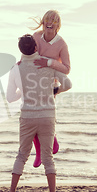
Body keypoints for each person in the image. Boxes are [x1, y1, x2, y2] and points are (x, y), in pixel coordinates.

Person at [6, 34, 72, 192]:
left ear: (21, 50)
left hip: (27, 116)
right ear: (35, 47)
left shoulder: (16, 68)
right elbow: (68, 84)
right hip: (47, 115)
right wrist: (53, 91)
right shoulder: (47, 63)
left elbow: (10, 97)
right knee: (48, 157)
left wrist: (25, 91)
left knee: (22, 155)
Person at [30, 10, 71, 168]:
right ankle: (39, 151)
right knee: (30, 119)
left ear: (58, 25)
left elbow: (67, 69)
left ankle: (53, 140)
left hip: (49, 86)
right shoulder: (35, 37)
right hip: (33, 83)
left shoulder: (61, 44)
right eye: (47, 19)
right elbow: (29, 56)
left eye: (54, 21)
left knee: (45, 120)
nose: (50, 22)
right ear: (43, 21)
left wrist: (48, 62)